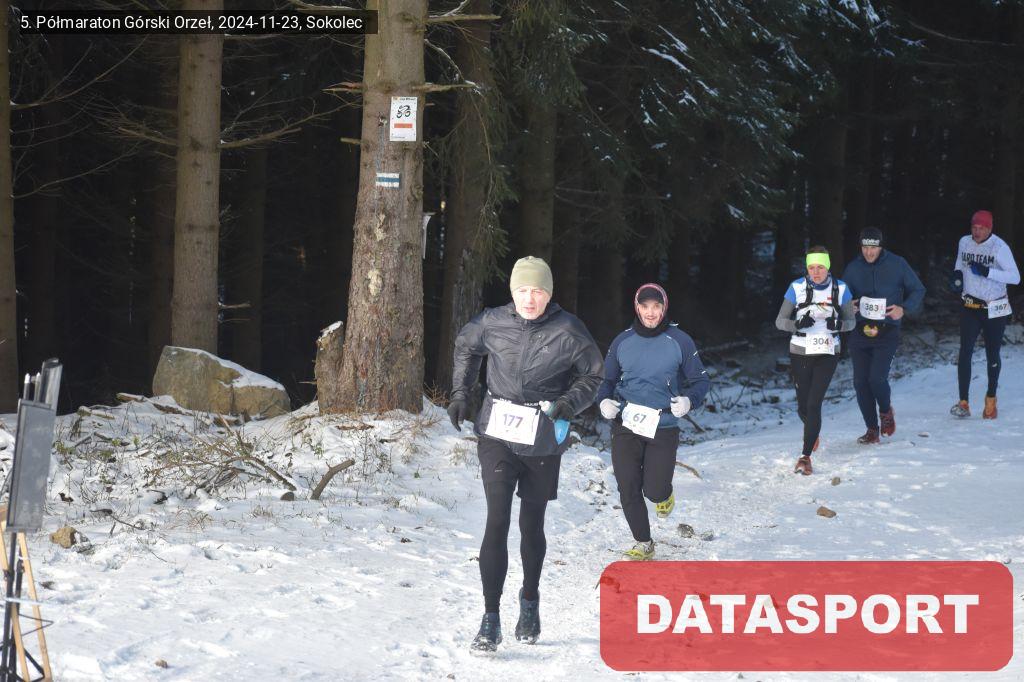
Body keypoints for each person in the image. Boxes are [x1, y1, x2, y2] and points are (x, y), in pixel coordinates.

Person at [448, 256, 603, 653]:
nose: (529, 299)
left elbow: (594, 374)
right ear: (512, 292)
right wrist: (462, 392)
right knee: (497, 519)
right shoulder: (492, 321)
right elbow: (465, 346)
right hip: (497, 433)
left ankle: (530, 600)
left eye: (537, 291)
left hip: (543, 434)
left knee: (531, 525)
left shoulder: (568, 329)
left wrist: (568, 403)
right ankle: (490, 619)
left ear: (548, 294)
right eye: (522, 291)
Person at [595, 284, 710, 561]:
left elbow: (701, 381)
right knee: (627, 486)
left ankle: (663, 496)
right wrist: (604, 401)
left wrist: (689, 401)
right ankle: (643, 542)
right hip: (627, 423)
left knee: (655, 491)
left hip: (663, 424)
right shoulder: (622, 341)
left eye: (656, 307)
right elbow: (606, 380)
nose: (650, 312)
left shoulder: (679, 340)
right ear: (637, 308)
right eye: (644, 306)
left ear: (664, 308)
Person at [775, 246, 856, 475]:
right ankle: (812, 429)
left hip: (828, 351)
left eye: (820, 267)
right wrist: (797, 324)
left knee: (814, 403)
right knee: (803, 405)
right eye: (812, 267)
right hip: (800, 350)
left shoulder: (841, 288)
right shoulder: (796, 287)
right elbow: (780, 321)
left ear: (827, 267)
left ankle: (805, 456)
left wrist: (839, 325)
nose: (816, 272)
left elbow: (851, 322)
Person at [841, 227, 926, 444]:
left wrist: (903, 308)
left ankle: (886, 411)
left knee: (876, 379)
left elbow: (918, 289)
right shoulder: (853, 268)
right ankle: (872, 430)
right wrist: (848, 305)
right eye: (865, 248)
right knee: (860, 382)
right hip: (860, 330)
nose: (869, 252)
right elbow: (840, 297)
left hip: (887, 329)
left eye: (873, 248)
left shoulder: (897, 264)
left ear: (881, 247)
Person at [950, 210, 1020, 419]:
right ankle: (963, 403)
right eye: (974, 227)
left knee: (992, 353)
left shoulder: (999, 247)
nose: (977, 232)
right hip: (970, 305)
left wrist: (988, 272)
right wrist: (957, 276)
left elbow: (1015, 277)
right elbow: (960, 262)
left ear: (990, 229)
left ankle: (991, 400)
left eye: (981, 228)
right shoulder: (964, 242)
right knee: (965, 351)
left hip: (994, 307)